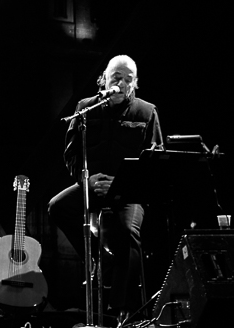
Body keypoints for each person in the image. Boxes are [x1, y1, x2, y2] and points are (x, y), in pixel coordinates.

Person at [48, 55, 163, 326]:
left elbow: (154, 162)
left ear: (135, 83)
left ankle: (123, 309)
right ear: (104, 79)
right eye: (116, 78)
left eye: (127, 79)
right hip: (91, 186)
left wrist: (122, 182)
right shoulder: (85, 108)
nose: (121, 84)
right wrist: (86, 181)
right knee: (57, 207)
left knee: (128, 232)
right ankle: (98, 258)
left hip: (128, 191)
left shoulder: (147, 112)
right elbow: (71, 154)